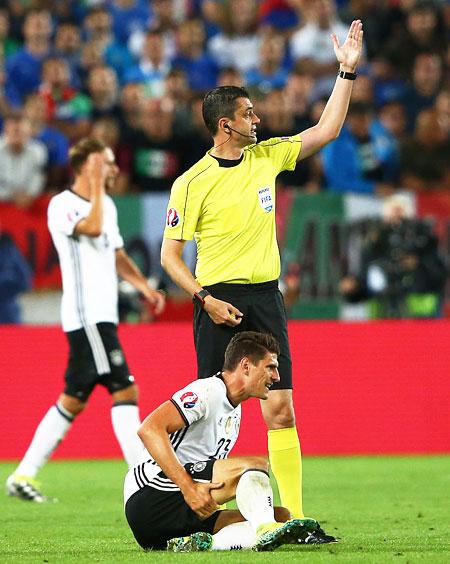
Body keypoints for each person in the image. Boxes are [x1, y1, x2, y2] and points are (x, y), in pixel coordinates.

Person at [161, 18, 364, 544]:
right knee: (207, 425)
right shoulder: (190, 183)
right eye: (249, 113)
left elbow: (327, 131)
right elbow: (170, 257)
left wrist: (346, 72)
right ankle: (195, 516)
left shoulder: (267, 157)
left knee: (281, 407)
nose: (259, 118)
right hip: (217, 303)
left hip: (264, 299)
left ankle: (291, 519)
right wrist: (204, 299)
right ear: (225, 124)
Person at [6, 138, 165, 503]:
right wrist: (94, 185)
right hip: (86, 316)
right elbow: (91, 229)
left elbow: (116, 252)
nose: (113, 170)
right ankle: (143, 476)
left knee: (73, 399)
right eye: (106, 163)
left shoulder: (105, 204)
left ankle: (23, 474)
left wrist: (143, 286)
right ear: (86, 166)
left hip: (103, 315)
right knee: (125, 389)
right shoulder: (61, 205)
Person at [124, 331, 321, 552]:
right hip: (150, 497)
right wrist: (188, 487)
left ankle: (202, 544)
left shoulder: (234, 411)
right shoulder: (206, 392)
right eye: (270, 367)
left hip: (170, 521)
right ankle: (265, 529)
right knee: (255, 466)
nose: (277, 377)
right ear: (246, 366)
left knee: (282, 517)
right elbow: (149, 429)